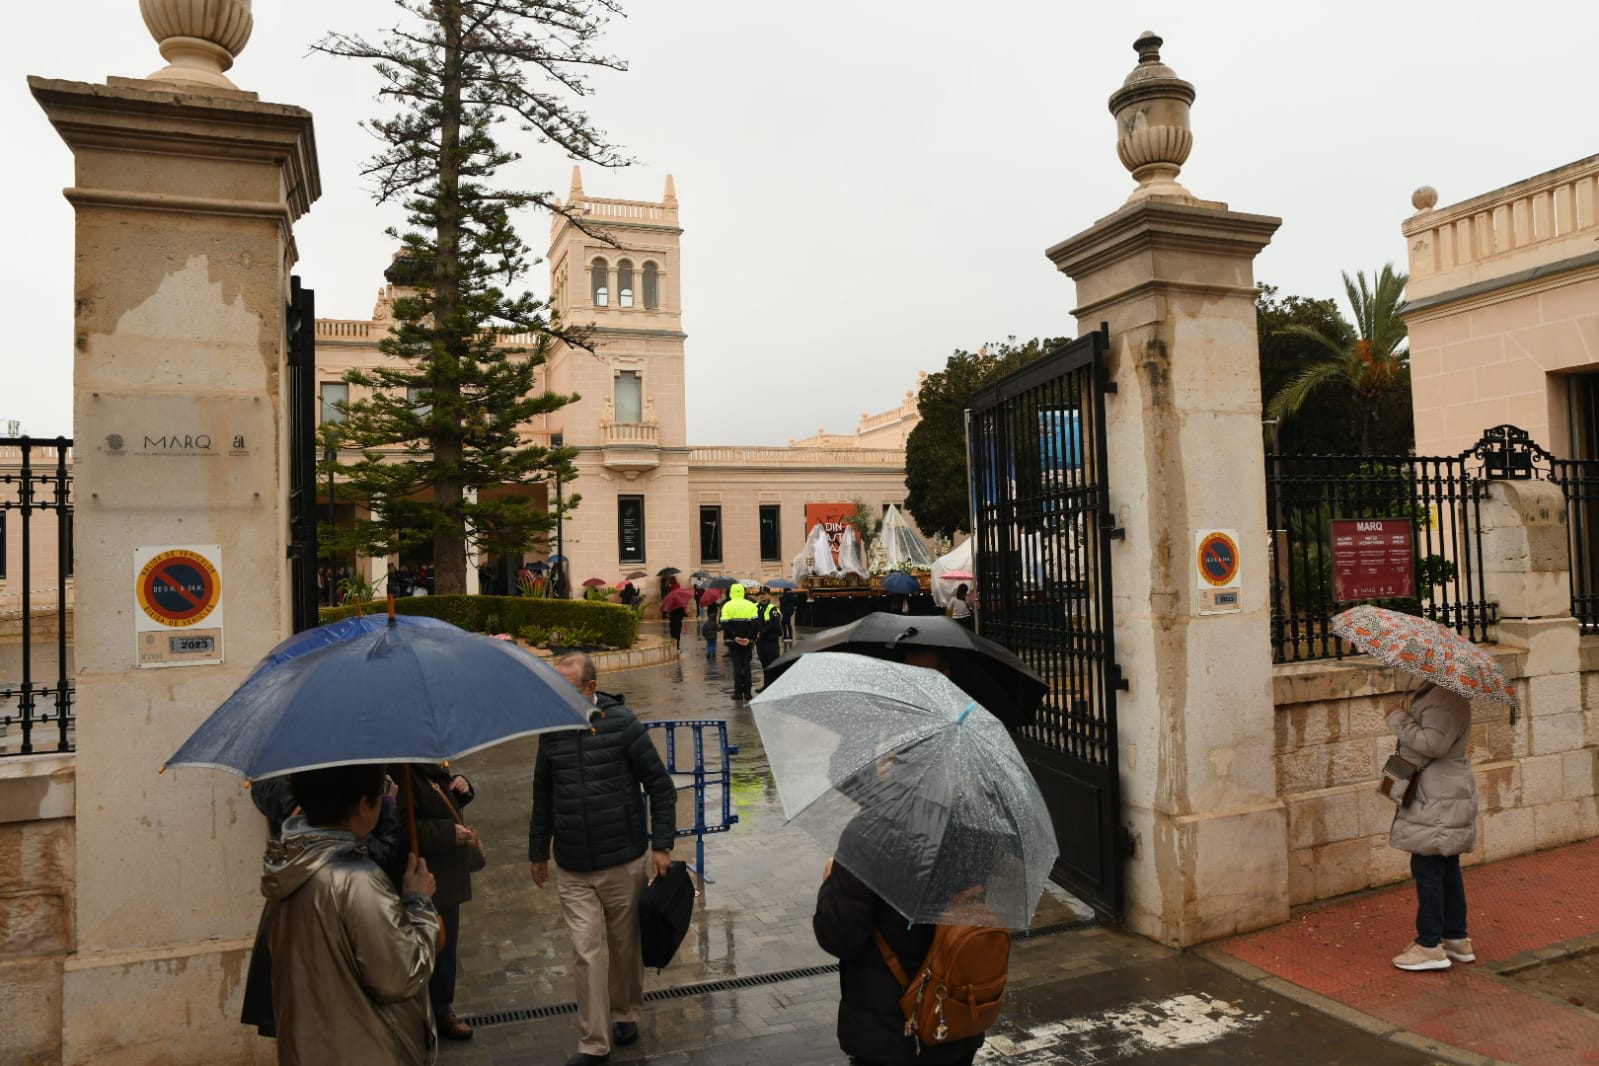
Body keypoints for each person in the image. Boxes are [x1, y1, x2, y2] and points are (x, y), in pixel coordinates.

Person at [529, 653, 678, 1066]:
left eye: (567, 688)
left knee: (624, 945)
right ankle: (593, 1041)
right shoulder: (551, 731)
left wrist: (662, 845)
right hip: (573, 863)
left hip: (622, 858)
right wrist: (538, 851)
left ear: (591, 688)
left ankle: (626, 1011)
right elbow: (543, 794)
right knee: (585, 951)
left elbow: (661, 788)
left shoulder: (623, 723)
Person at [262, 764, 440, 1066]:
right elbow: (400, 977)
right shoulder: (357, 880)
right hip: (368, 1049)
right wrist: (419, 903)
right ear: (363, 806)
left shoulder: (287, 868)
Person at [1387, 681, 1479, 972]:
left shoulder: (1445, 697)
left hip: (1437, 796)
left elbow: (1434, 744)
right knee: (1446, 867)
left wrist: (1397, 718)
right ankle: (1455, 938)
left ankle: (1429, 945)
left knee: (1427, 867)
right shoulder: (1439, 692)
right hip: (1440, 792)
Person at [404, 763, 479, 1040]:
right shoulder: (402, 771)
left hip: (446, 877)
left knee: (446, 949)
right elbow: (403, 828)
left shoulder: (431, 762)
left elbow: (438, 799)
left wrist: (462, 788)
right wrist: (448, 833)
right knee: (428, 948)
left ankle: (442, 1009)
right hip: (424, 877)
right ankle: (425, 1016)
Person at [719, 584, 760, 701]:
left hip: (733, 641)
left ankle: (737, 693)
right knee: (746, 666)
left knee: (737, 666)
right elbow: (755, 624)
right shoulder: (750, 605)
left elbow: (724, 624)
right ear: (743, 592)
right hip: (748, 642)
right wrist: (749, 638)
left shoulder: (727, 605)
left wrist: (735, 637)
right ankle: (747, 693)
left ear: (731, 592)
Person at [754, 587, 783, 687]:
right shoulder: (756, 607)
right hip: (760, 641)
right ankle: (766, 686)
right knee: (764, 664)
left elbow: (774, 623)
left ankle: (775, 687)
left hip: (771, 640)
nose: (762, 596)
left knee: (773, 664)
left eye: (764, 593)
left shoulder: (772, 608)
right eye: (760, 594)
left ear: (769, 595)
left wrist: (761, 632)